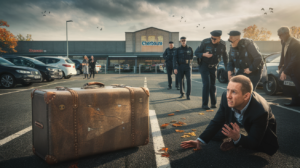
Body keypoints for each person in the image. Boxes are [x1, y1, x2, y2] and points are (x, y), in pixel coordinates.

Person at [180, 75, 279, 156]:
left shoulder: (261, 111)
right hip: (236, 116)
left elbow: (253, 142)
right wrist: (199, 140)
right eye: (228, 90)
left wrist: (237, 138)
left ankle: (236, 141)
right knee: (214, 135)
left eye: (234, 92)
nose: (228, 96)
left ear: (246, 96)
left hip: (257, 121)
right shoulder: (225, 96)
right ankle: (236, 139)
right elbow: (217, 121)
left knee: (263, 146)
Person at [195, 30, 228, 110]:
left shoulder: (223, 44)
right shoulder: (205, 42)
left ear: (219, 38)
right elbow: (196, 52)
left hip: (214, 67)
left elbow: (225, 56)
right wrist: (203, 54)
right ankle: (205, 104)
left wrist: (227, 69)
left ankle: (213, 103)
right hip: (204, 66)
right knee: (206, 84)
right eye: (212, 38)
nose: (213, 40)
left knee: (213, 85)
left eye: (215, 39)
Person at [277, 27, 300, 106]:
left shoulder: (295, 44)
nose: (279, 37)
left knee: (298, 86)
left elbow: (295, 60)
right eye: (278, 35)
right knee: (291, 86)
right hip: (290, 68)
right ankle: (295, 102)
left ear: (287, 34)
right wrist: (280, 65)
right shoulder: (283, 42)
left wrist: (285, 71)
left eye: (280, 35)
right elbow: (283, 55)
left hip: (297, 69)